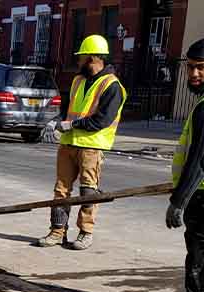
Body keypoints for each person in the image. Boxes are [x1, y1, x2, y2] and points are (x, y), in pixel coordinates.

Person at [37, 34, 126, 251]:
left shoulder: (112, 86)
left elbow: (102, 120)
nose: (78, 61)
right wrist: (57, 122)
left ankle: (86, 232)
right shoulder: (78, 80)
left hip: (92, 146)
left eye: (82, 57)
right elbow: (67, 109)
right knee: (61, 190)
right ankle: (58, 231)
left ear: (93, 58)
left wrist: (72, 125)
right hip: (69, 144)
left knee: (88, 191)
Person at [165, 39, 204, 292]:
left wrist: (179, 202)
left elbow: (199, 161)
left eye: (201, 68)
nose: (194, 74)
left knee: (200, 254)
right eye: (190, 68)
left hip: (202, 197)